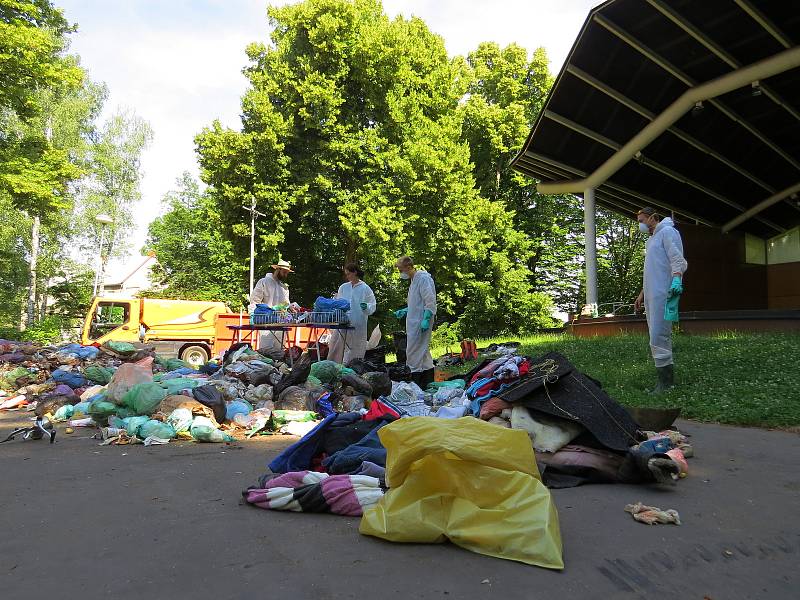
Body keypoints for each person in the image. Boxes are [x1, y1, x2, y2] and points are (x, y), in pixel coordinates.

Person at [633, 208, 687, 393]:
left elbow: (677, 259)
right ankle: (663, 382)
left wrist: (677, 278)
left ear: (653, 218)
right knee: (654, 336)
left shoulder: (668, 231)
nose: (640, 224)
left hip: (664, 291)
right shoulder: (651, 240)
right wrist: (642, 294)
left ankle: (667, 384)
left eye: (642, 220)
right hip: (651, 294)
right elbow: (652, 270)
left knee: (659, 335)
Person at [394, 256, 437, 389]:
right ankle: (428, 384)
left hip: (420, 322)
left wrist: (426, 318)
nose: (401, 273)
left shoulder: (423, 278)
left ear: (408, 267)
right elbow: (418, 301)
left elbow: (429, 300)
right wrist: (406, 310)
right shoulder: (414, 280)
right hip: (415, 320)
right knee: (423, 353)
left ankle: (416, 386)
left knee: (412, 353)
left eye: (401, 270)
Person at [327, 263, 377, 364]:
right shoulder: (343, 287)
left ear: (355, 272)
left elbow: (372, 305)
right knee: (337, 344)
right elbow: (338, 302)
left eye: (349, 274)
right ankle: (333, 366)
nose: (347, 276)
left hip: (358, 323)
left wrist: (366, 307)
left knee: (355, 346)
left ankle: (353, 368)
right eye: (346, 274)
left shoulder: (365, 288)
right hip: (342, 321)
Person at [249, 259, 294, 357]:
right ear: (278, 269)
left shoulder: (284, 287)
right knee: (266, 350)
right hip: (266, 322)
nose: (286, 275)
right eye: (284, 272)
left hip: (280, 322)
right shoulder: (264, 282)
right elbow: (254, 301)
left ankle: (278, 370)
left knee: (279, 351)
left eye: (287, 273)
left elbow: (286, 304)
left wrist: (291, 308)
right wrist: (254, 316)